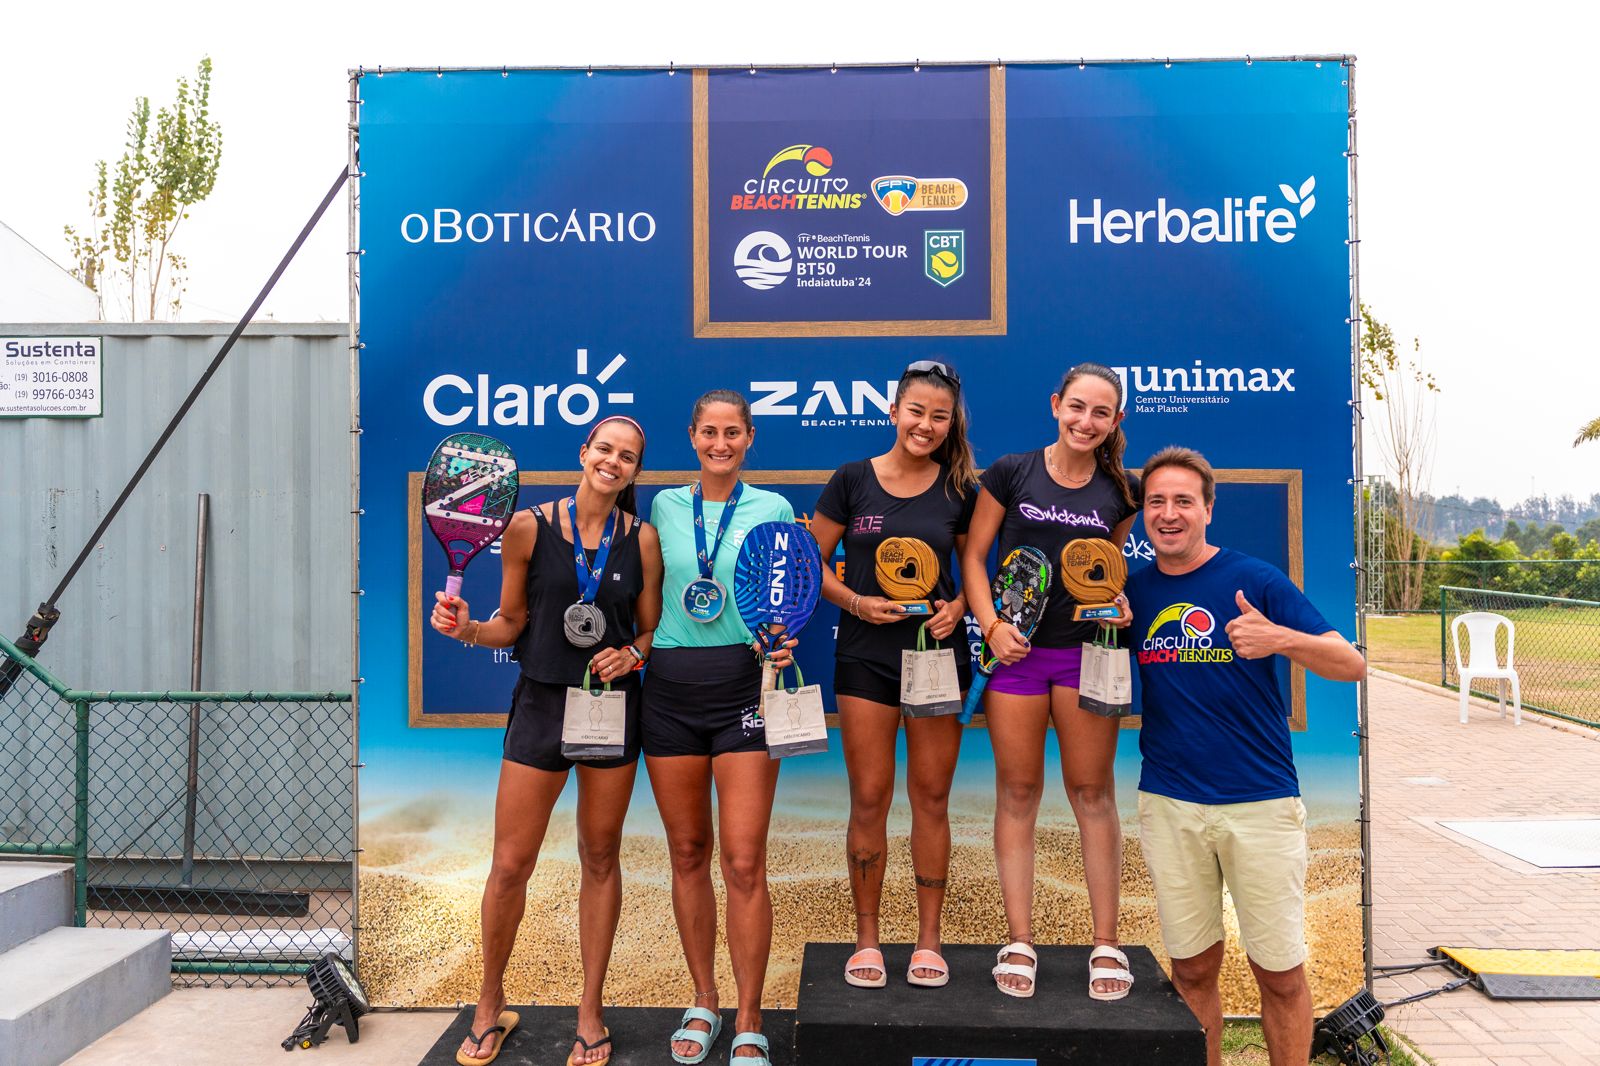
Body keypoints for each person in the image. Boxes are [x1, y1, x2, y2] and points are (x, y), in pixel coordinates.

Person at [1118, 446, 1364, 1066]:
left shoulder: (1254, 580)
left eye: (1182, 502)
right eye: (1156, 502)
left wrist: (1279, 638)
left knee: (1279, 975)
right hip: (1170, 803)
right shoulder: (1132, 590)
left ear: (1207, 510)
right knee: (1193, 972)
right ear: (1143, 514)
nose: (1169, 514)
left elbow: (1352, 663)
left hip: (1261, 804)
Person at [430, 415, 662, 1066]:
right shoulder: (527, 527)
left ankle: (590, 1011)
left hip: (611, 710)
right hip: (540, 705)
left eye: (628, 456)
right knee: (509, 865)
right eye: (605, 449)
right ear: (584, 452)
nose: (614, 462)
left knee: (600, 858)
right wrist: (468, 629)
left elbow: (647, 631)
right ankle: (488, 1003)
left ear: (636, 470)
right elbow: (510, 623)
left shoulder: (641, 541)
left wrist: (634, 657)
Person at [958, 362, 1141, 1001]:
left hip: (1085, 655)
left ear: (1115, 421)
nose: (1085, 422)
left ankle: (1106, 943)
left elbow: (1108, 571)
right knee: (1018, 790)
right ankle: (1019, 940)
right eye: (1076, 408)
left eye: (1100, 413)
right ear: (1055, 404)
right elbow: (973, 555)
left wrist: (1118, 605)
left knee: (1093, 793)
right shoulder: (1011, 471)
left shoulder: (1123, 489)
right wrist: (989, 625)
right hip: (1017, 658)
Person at [810, 359, 978, 990]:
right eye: (917, 412)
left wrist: (959, 608)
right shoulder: (852, 479)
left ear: (950, 423)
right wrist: (855, 602)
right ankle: (868, 939)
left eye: (939, 417)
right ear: (894, 412)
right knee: (870, 798)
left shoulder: (962, 489)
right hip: (864, 658)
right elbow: (813, 564)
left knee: (931, 799)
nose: (926, 425)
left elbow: (976, 577)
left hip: (938, 661)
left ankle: (929, 941)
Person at [645, 390, 796, 1066]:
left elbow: (782, 598)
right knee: (686, 854)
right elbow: (651, 600)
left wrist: (781, 639)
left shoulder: (774, 509)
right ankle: (703, 999)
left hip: (746, 687)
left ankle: (748, 1015)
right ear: (692, 435)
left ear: (750, 437)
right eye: (709, 432)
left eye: (732, 433)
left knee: (741, 861)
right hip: (671, 691)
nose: (720, 444)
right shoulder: (664, 508)